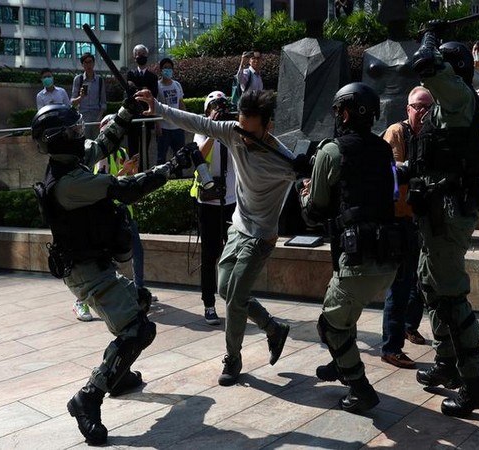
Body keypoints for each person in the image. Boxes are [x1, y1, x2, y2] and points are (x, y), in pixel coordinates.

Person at [31, 99, 193, 445]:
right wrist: (173, 166)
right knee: (139, 331)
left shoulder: (69, 162)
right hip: (87, 272)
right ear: (58, 139)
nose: (81, 135)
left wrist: (127, 109)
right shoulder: (68, 183)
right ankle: (88, 398)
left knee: (141, 301)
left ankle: (118, 377)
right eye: (74, 131)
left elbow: (104, 142)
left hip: (93, 264)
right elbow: (128, 189)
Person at [135, 88, 303, 387]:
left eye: (252, 133)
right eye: (242, 130)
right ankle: (273, 328)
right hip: (237, 226)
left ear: (269, 126)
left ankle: (232, 358)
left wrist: (308, 175)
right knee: (225, 289)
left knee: (235, 298)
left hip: (261, 236)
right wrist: (159, 106)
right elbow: (197, 123)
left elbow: (319, 186)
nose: (245, 139)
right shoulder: (234, 132)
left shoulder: (284, 162)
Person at [408, 28, 479, 417]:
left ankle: (476, 385)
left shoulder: (460, 96)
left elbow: (424, 65)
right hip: (435, 212)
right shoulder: (448, 107)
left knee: (450, 294)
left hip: (448, 213)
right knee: (429, 284)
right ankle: (448, 364)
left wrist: (429, 41)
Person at [297, 82, 400, 414]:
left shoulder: (331, 151)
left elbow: (314, 212)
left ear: (346, 111)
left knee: (331, 325)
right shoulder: (384, 150)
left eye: (339, 110)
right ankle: (341, 365)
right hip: (387, 255)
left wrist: (304, 189)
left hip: (356, 259)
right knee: (345, 313)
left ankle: (359, 387)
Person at [380, 86, 432, 370]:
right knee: (399, 285)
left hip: (420, 218)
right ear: (407, 109)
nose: (422, 112)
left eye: (427, 107)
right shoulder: (396, 132)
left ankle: (410, 326)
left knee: (419, 280)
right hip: (398, 220)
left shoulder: (430, 133)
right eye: (417, 107)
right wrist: (414, 168)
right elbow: (388, 168)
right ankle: (391, 347)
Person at [94, 114, 158, 310]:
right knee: (106, 257)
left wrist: (131, 171)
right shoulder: (100, 155)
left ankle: (139, 288)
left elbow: (125, 181)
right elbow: (102, 184)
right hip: (109, 214)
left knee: (137, 251)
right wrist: (123, 172)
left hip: (125, 211)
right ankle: (88, 298)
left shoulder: (121, 150)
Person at [190, 91, 237, 325]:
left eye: (223, 106)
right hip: (208, 204)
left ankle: (234, 300)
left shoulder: (232, 129)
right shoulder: (202, 130)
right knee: (209, 256)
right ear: (207, 111)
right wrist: (213, 129)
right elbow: (200, 155)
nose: (220, 110)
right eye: (215, 106)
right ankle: (209, 304)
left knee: (234, 255)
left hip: (231, 202)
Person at [126, 45, 158, 164]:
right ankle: (132, 174)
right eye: (139, 55)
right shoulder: (131, 74)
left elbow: (153, 93)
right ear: (135, 57)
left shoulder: (153, 77)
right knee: (132, 150)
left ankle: (144, 172)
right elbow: (129, 92)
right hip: (133, 117)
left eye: (143, 55)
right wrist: (144, 89)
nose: (141, 57)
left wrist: (137, 89)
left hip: (147, 117)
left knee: (145, 149)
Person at [156, 58, 186, 167]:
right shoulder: (157, 86)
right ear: (161, 70)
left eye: (169, 68)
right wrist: (157, 124)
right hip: (164, 128)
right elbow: (155, 107)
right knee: (161, 158)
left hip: (177, 127)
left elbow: (181, 103)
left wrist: (186, 121)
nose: (167, 70)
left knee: (180, 157)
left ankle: (179, 178)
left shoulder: (177, 85)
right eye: (165, 68)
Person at [71, 53, 107, 139]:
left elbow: (103, 102)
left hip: (96, 118)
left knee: (97, 144)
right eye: (85, 62)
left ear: (94, 63)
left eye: (90, 62)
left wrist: (99, 117)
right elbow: (72, 103)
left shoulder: (99, 80)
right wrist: (80, 97)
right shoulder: (78, 79)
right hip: (83, 118)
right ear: (82, 65)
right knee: (85, 145)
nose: (88, 65)